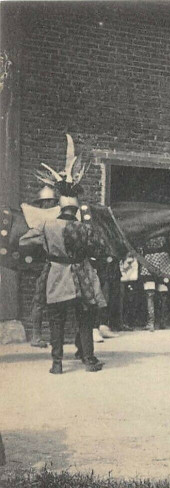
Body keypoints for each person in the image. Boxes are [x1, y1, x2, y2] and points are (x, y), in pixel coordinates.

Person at [20, 156, 105, 374]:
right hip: (81, 278)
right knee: (85, 319)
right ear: (75, 210)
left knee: (56, 320)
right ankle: (89, 360)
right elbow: (98, 250)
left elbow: (25, 241)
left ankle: (57, 364)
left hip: (55, 276)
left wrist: (47, 249)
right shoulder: (85, 229)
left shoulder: (47, 226)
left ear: (60, 207)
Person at [27, 185, 60, 348]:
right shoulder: (36, 223)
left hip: (56, 266)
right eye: (46, 202)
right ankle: (36, 335)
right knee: (39, 299)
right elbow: (26, 241)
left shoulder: (56, 220)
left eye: (52, 202)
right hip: (43, 265)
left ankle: (55, 336)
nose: (49, 205)